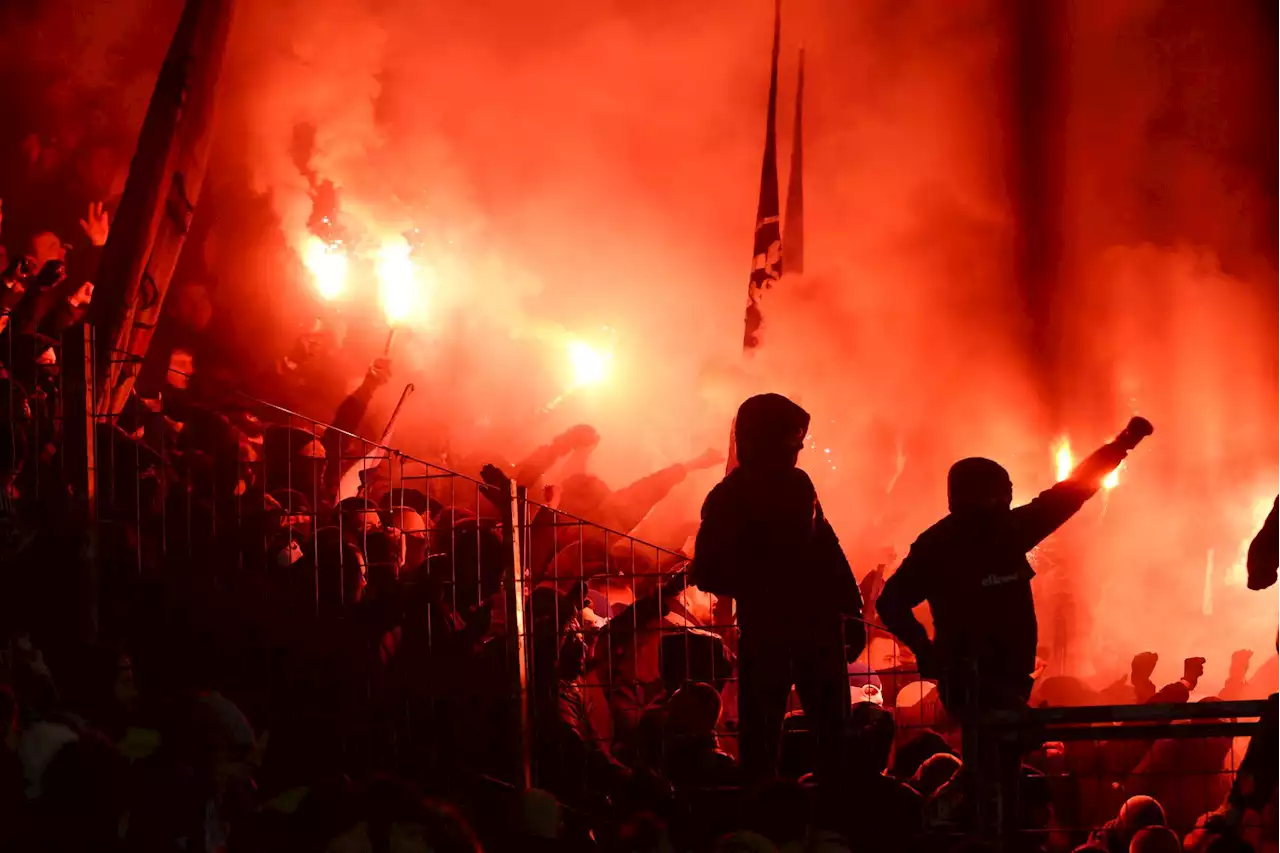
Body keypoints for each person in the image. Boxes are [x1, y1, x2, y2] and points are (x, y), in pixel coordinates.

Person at [877, 416, 1153, 832]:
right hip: (972, 680)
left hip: (1004, 679)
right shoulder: (945, 545)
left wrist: (1123, 444)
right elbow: (890, 601)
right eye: (1004, 490)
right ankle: (934, 823)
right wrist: (927, 651)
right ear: (985, 495)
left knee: (998, 769)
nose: (1010, 496)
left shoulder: (1004, 531)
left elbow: (1073, 491)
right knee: (991, 770)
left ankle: (976, 832)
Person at [691, 393, 864, 787]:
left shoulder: (799, 485)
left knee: (832, 735)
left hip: (814, 631)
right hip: (771, 631)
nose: (801, 446)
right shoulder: (729, 498)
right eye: (793, 437)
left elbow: (828, 547)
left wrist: (851, 611)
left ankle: (831, 811)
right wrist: (772, 586)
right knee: (763, 740)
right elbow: (709, 570)